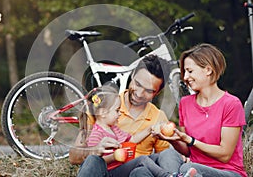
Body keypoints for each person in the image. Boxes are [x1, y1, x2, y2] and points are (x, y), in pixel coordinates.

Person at [69, 54, 185, 176]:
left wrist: (178, 158)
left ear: (157, 92)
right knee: (93, 160)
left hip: (133, 172)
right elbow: (73, 157)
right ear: (132, 75)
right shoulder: (104, 105)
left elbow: (164, 159)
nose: (139, 94)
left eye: (149, 90)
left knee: (152, 164)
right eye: (138, 84)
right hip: (103, 171)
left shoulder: (158, 118)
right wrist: (95, 150)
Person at [156, 43, 247, 177]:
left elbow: (225, 155)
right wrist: (172, 139)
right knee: (164, 156)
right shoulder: (185, 104)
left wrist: (191, 140)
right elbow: (188, 151)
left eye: (190, 71)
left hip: (226, 172)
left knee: (188, 168)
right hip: (193, 170)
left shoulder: (231, 104)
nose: (185, 77)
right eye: (185, 72)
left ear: (208, 70)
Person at [80, 85, 180, 177]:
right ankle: (167, 176)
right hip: (109, 173)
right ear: (103, 113)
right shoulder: (97, 133)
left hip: (119, 169)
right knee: (142, 159)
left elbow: (132, 140)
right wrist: (114, 156)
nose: (120, 114)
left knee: (156, 157)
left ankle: (174, 172)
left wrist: (150, 129)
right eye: (117, 110)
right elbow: (95, 163)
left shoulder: (114, 129)